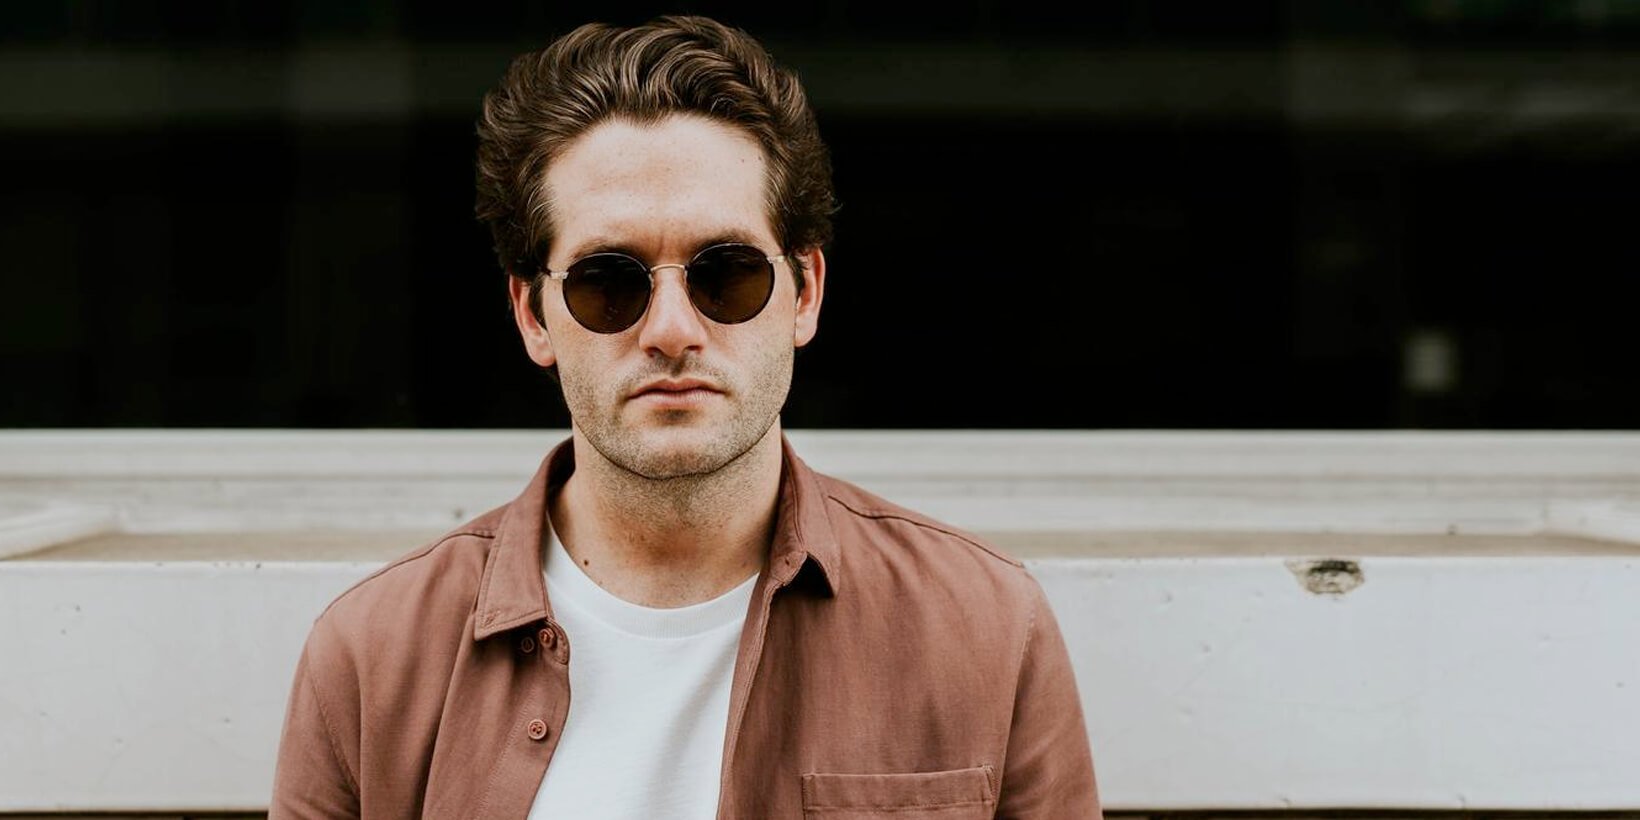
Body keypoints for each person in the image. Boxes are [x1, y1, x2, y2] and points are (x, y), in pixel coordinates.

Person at [271, 15, 1099, 819]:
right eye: (609, 282)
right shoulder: (372, 657)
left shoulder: (985, 627)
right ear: (532, 315)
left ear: (804, 292)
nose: (671, 330)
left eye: (727, 274)